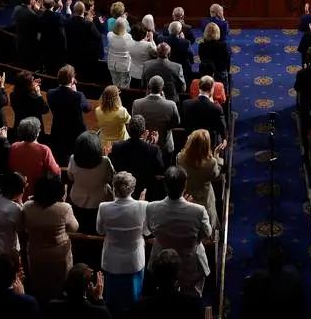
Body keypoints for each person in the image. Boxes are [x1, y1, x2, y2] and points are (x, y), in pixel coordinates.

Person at [145, 167, 212, 296]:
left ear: (165, 185)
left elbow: (150, 230)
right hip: (191, 265)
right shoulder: (198, 211)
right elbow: (207, 233)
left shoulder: (151, 207)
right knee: (191, 301)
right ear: (185, 185)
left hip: (162, 266)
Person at [96, 170, 151, 314]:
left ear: (114, 188)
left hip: (111, 261)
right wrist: (142, 204)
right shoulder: (143, 206)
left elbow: (100, 230)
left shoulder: (103, 207)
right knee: (133, 301)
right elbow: (146, 232)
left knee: (112, 301)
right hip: (134, 261)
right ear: (132, 189)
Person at [22, 175, 80, 302]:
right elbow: (74, 228)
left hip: (35, 251)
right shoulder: (64, 208)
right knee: (59, 282)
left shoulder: (27, 206)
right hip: (58, 253)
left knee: (39, 281)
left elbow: (25, 227)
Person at [177, 129, 224, 238]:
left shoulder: (180, 158)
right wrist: (217, 156)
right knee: (206, 225)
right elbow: (216, 175)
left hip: (187, 197)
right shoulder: (211, 162)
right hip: (205, 199)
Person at [67, 131, 115, 235]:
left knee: (81, 228)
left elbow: (70, 177)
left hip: (78, 201)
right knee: (97, 229)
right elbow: (110, 178)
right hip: (99, 202)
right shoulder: (105, 161)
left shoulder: (73, 159)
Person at [107, 17, 134, 88]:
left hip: (112, 64)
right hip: (124, 66)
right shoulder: (128, 37)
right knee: (125, 87)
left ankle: (116, 97)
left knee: (115, 85)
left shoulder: (109, 35)